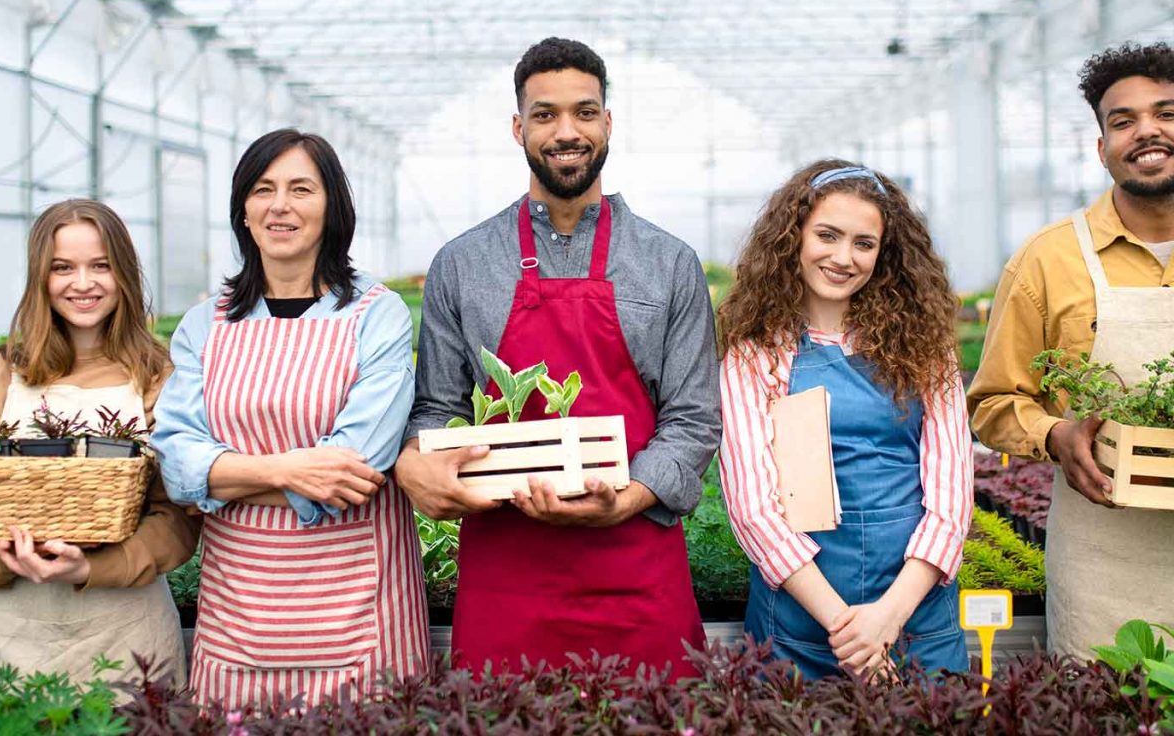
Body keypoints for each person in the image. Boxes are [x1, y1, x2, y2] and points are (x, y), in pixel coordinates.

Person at [396, 37, 720, 677]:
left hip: (635, 566)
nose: (566, 131)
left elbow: (693, 419)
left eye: (584, 112)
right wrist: (418, 462)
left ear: (608, 123)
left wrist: (627, 498)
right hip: (507, 571)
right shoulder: (462, 263)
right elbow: (434, 406)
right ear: (519, 128)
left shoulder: (668, 263)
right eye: (545, 114)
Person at [153, 129, 427, 709]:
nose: (280, 205)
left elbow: (354, 468)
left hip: (360, 611)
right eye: (263, 189)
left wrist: (220, 480)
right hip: (238, 616)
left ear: (332, 208)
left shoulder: (376, 316)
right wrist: (290, 470)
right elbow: (175, 466)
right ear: (244, 211)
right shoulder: (205, 324)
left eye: (301, 189)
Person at [718, 161, 972, 679]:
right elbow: (754, 512)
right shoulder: (756, 355)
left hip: (914, 614)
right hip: (800, 624)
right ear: (793, 237)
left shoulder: (926, 349)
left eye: (863, 243)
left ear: (885, 254)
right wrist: (852, 632)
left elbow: (951, 499)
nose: (843, 258)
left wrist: (888, 617)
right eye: (827, 236)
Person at [969, 42, 1174, 657]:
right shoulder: (1048, 259)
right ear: (1101, 147)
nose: (1147, 131)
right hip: (1103, 561)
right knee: (1104, 700)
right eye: (1123, 121)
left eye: (1166, 113)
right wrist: (1055, 434)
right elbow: (992, 402)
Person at [0, 199, 198, 685]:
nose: (82, 283)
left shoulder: (159, 379)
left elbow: (178, 519)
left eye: (101, 265)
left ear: (125, 274)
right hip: (6, 637)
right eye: (62, 267)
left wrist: (92, 568)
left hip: (127, 636)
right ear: (40, 277)